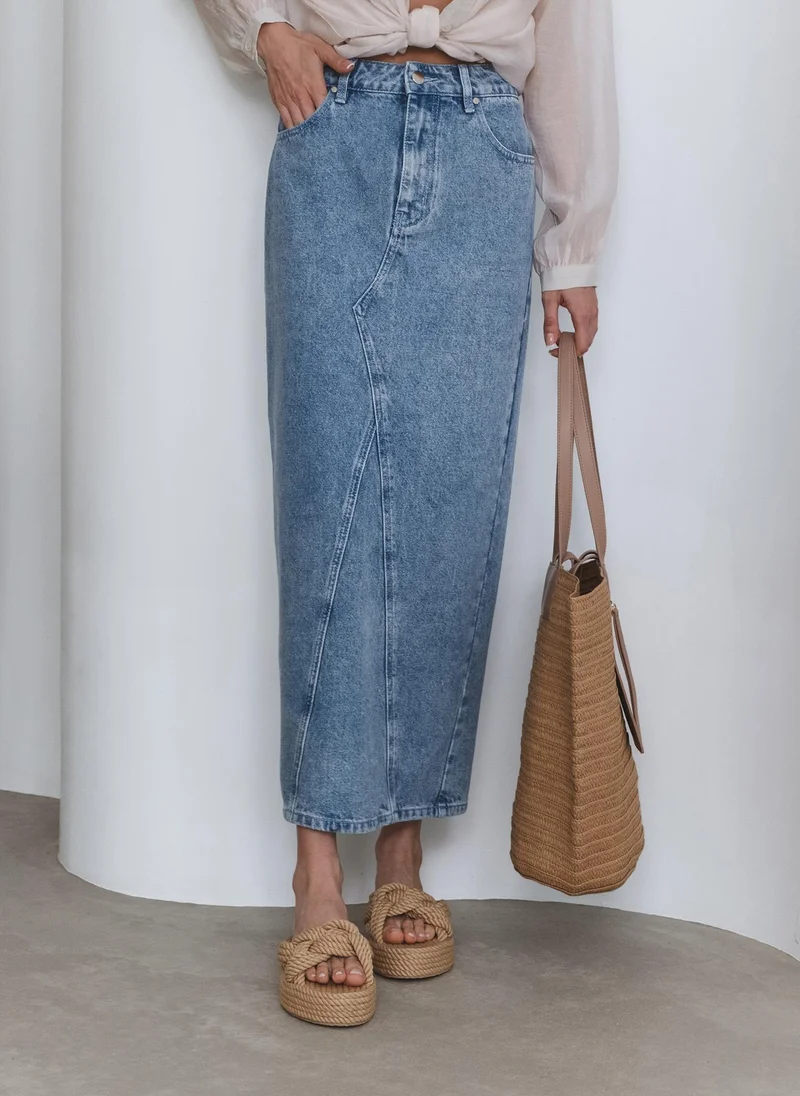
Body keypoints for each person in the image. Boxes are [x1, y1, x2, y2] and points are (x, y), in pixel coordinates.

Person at [193, 0, 617, 1025]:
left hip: (483, 146)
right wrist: (265, 32)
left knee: (451, 509)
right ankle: (316, 875)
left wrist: (571, 248)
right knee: (323, 500)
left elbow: (573, 35)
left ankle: (400, 856)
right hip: (334, 125)